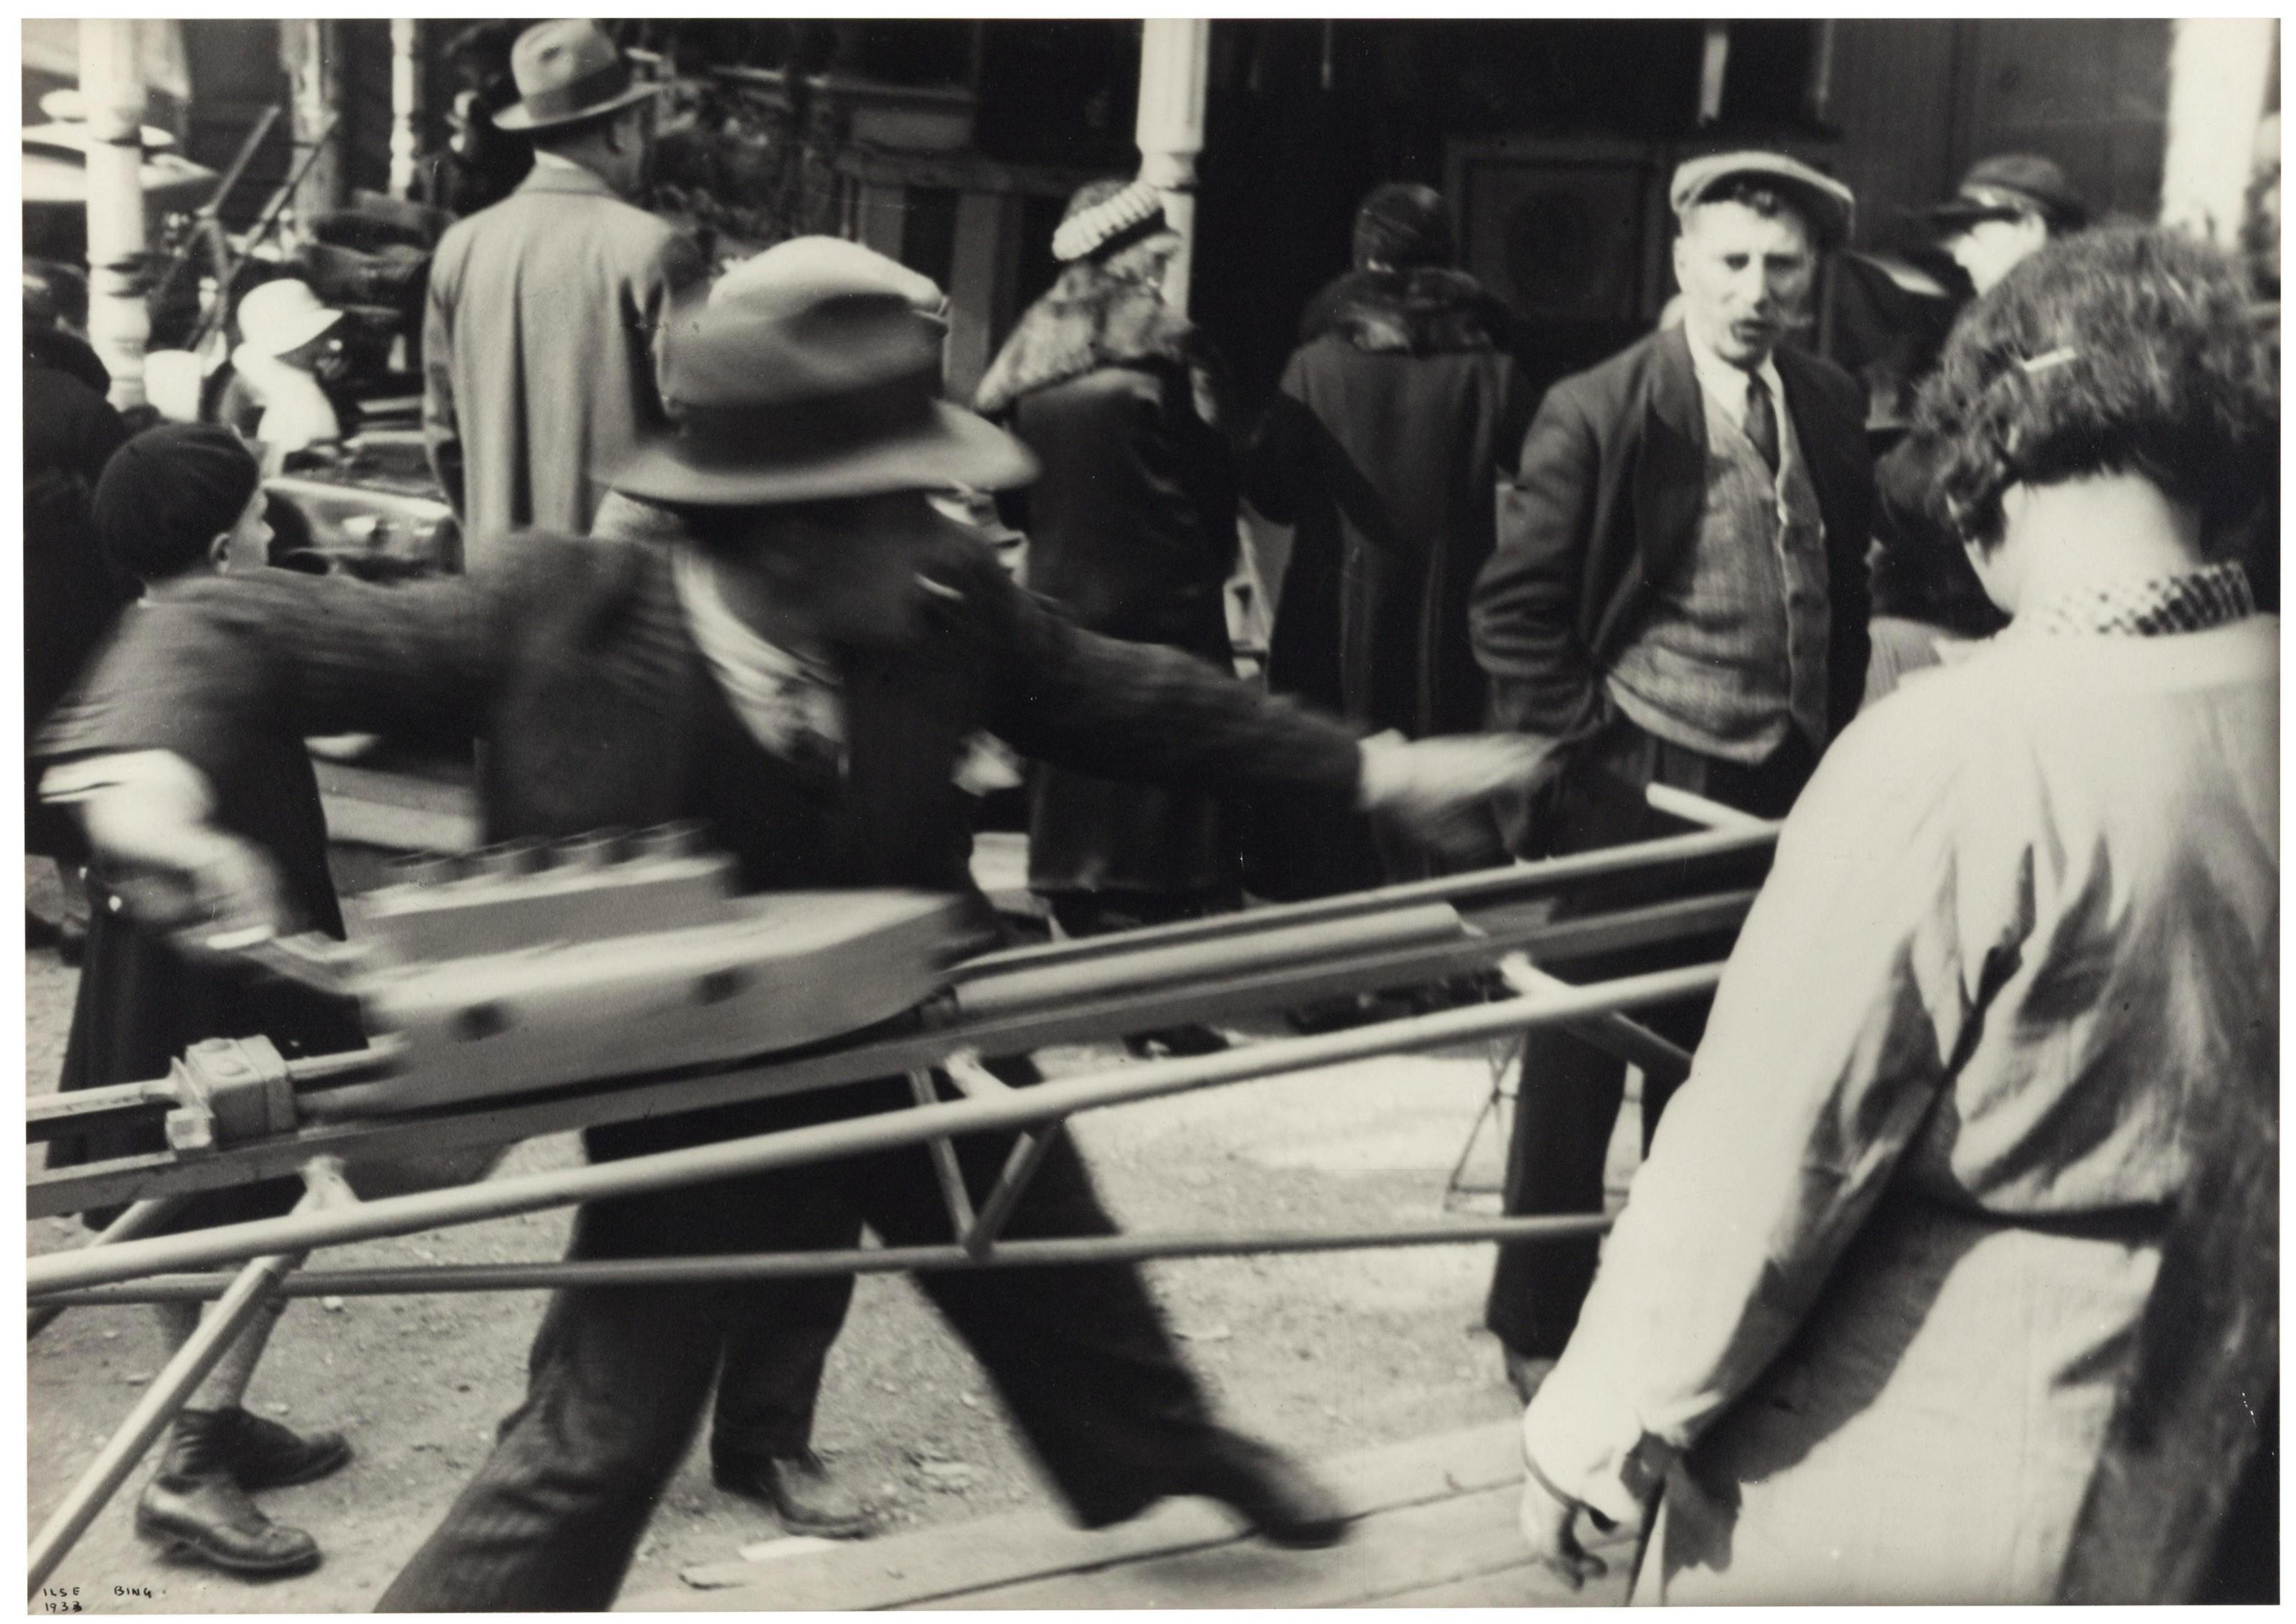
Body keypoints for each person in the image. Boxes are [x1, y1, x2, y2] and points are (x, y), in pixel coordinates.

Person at [42, 238, 1548, 1611]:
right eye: (906, 501)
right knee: (609, 1423)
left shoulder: (938, 596)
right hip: (673, 1051)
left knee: (1037, 1223)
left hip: (893, 999)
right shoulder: (564, 611)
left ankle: (1168, 1454)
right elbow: (234, 627)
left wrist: (1366, 765)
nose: (955, 526)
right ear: (786, 533)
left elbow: (1129, 695)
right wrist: (151, 788)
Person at [1515, 224, 2276, 1605]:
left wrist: (1597, 1425)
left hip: (1943, 1468)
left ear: (1995, 456)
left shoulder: (1959, 752)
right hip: (2228, 1461)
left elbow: (1772, 1155)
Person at [1469, 151, 1874, 1402]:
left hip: (1777, 780)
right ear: (1684, 260)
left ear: (1812, 280)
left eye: (1783, 267)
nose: (1756, 290)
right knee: (1584, 1049)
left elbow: (1840, 591)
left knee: (1723, 1063)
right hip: (1638, 772)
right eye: (1734, 261)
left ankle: (1673, 1315)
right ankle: (1536, 1322)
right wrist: (1596, 750)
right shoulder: (1598, 405)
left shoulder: (1829, 400)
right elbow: (1515, 614)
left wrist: (1829, 744)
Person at [42, 425, 364, 1577]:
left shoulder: (149, 634)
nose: (277, 530)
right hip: (229, 987)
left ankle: (213, 1420)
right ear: (229, 546)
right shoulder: (222, 656)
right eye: (267, 515)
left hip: (162, 978)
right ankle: (188, 1465)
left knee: (195, 1206)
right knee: (274, 1203)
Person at [974, 178, 1245, 1023]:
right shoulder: (1172, 349)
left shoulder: (1022, 355)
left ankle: (1081, 934)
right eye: (1156, 258)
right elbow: (1211, 481)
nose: (1162, 275)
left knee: (1080, 776)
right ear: (1129, 258)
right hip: (1165, 600)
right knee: (1168, 794)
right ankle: (1164, 993)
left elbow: (1006, 495)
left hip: (1061, 596)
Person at [1243, 180, 1530, 895]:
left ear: (1364, 260)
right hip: (1448, 624)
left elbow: (1271, 497)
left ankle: (1329, 981)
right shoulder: (1491, 369)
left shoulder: (1314, 364)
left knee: (1330, 786)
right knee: (1439, 797)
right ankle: (1442, 966)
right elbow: (1550, 474)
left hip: (1329, 617)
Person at [422, 17, 705, 563]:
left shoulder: (460, 247)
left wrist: (484, 539)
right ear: (621, 130)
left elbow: (443, 434)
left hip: (501, 590)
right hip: (622, 597)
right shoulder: (656, 250)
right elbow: (698, 433)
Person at [1863, 154, 2094, 702]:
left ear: (2033, 226)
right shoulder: (2078, 317)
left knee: (1873, 646)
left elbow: (1920, 482)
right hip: (2026, 606)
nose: (1958, 251)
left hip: (1999, 615)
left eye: (1972, 230)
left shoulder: (2031, 335)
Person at [218, 278, 349, 476]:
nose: (329, 345)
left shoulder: (295, 377)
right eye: (315, 339)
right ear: (285, 348)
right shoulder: (255, 383)